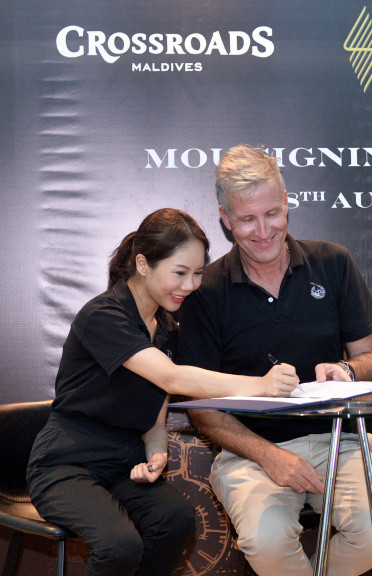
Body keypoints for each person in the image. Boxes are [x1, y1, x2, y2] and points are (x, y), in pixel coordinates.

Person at [26, 208, 299, 576]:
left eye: (198, 273)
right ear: (143, 264)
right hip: (66, 464)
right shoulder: (103, 316)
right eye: (180, 273)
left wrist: (156, 454)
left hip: (124, 466)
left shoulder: (167, 328)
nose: (190, 285)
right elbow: (171, 378)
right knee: (119, 545)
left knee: (175, 519)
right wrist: (261, 385)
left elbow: (155, 419)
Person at [177, 145, 372, 576]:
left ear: (286, 203)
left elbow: (371, 358)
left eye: (272, 214)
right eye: (247, 219)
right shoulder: (206, 291)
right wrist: (269, 457)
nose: (263, 231)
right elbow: (202, 408)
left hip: (339, 442)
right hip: (248, 451)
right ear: (225, 218)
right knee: (266, 540)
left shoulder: (333, 262)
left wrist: (348, 371)